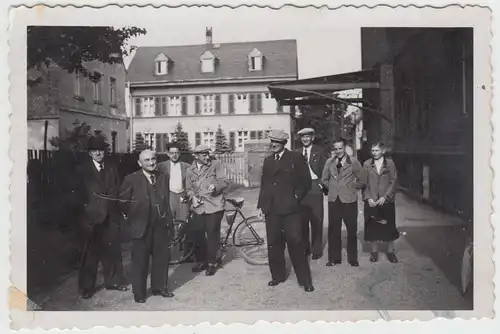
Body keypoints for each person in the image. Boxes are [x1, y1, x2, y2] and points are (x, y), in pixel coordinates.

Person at [257, 130, 314, 292]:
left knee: (296, 244)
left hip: (291, 210)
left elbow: (306, 181)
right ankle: (277, 276)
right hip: (272, 210)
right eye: (272, 141)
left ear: (284, 143)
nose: (273, 144)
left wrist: (296, 197)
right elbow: (265, 185)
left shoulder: (295, 158)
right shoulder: (268, 161)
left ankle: (305, 280)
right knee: (274, 244)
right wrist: (261, 206)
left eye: (277, 142)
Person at [75, 136, 128, 299]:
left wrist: (121, 210)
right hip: (91, 220)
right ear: (90, 153)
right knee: (90, 254)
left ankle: (113, 281)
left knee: (112, 251)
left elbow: (119, 191)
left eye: (100, 150)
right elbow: (76, 196)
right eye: (94, 150)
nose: (98, 153)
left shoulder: (112, 168)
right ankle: (86, 287)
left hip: (111, 217)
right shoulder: (83, 171)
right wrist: (85, 212)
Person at [119, 149, 173, 303]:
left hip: (160, 224)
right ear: (140, 163)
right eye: (147, 160)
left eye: (153, 159)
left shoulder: (163, 177)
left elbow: (166, 200)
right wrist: (133, 218)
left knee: (161, 258)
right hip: (141, 227)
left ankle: (159, 287)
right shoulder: (131, 179)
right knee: (140, 261)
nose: (151, 163)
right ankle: (139, 293)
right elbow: (122, 202)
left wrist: (168, 220)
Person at [185, 145, 230, 276]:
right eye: (203, 154)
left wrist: (215, 186)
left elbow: (225, 182)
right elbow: (188, 189)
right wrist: (192, 197)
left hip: (214, 205)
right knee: (197, 233)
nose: (206, 157)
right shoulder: (189, 170)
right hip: (198, 207)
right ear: (196, 156)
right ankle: (202, 261)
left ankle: (211, 263)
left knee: (212, 233)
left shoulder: (216, 164)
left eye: (207, 154)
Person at [321, 138, 364, 267]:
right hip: (334, 200)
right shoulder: (329, 162)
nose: (338, 151)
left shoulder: (354, 162)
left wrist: (351, 188)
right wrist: (333, 189)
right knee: (334, 230)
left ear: (345, 148)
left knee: (351, 229)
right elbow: (324, 179)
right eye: (336, 149)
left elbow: (362, 180)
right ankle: (334, 258)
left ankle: (352, 258)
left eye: (340, 148)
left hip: (349, 200)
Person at [362, 142, 400, 263]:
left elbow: (393, 181)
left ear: (383, 151)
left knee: (389, 226)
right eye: (372, 150)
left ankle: (390, 252)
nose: (374, 153)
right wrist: (368, 198)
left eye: (377, 150)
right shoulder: (367, 164)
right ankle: (374, 252)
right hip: (372, 199)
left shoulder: (390, 163)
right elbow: (364, 182)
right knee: (372, 226)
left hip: (386, 200)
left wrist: (386, 196)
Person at [157, 142, 193, 260]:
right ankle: (167, 254)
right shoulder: (161, 166)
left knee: (184, 223)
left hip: (182, 195)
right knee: (169, 223)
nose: (174, 155)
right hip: (169, 195)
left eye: (176, 153)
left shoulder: (186, 166)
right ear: (167, 153)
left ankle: (185, 254)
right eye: (172, 153)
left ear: (180, 153)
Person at [296, 127, 328, 260]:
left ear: (312, 138)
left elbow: (326, 168)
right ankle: (304, 248)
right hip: (302, 189)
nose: (305, 139)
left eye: (308, 136)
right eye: (303, 137)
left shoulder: (319, 151)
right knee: (302, 220)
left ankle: (316, 250)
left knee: (316, 219)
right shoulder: (297, 153)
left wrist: (321, 183)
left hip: (315, 186)